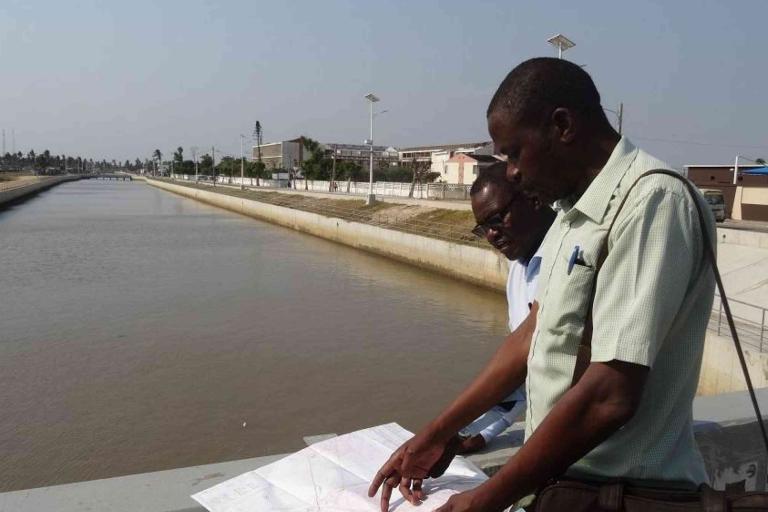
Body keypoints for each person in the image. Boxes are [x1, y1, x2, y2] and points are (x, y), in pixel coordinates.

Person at [368, 57, 716, 512]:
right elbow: (534, 336)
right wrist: (435, 436)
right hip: (566, 488)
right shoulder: (572, 214)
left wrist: (485, 500)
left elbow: (610, 396)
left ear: (562, 126)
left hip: (623, 493)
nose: (510, 171)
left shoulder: (651, 202)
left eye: (514, 152)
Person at [456, 164, 555, 455]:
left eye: (497, 220)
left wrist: (440, 431)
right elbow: (524, 373)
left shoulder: (570, 259)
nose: (490, 235)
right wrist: (479, 430)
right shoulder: (519, 268)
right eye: (483, 228)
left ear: (533, 199)